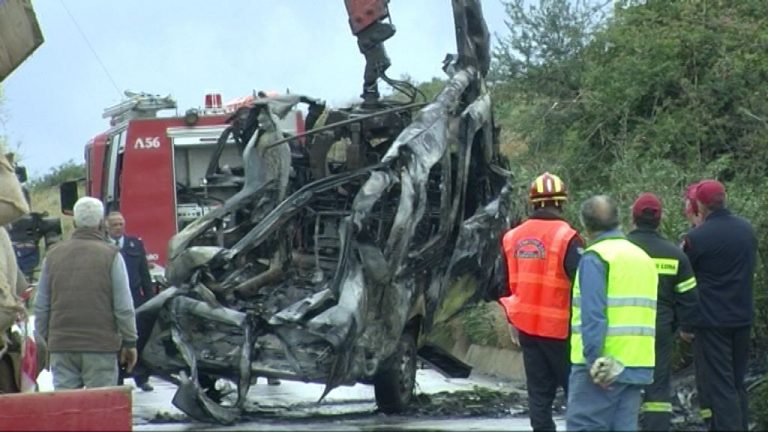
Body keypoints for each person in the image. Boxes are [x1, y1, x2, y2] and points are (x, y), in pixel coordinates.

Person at [498, 172, 583, 431]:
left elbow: (503, 283)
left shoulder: (512, 237)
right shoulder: (568, 237)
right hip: (559, 329)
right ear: (561, 203)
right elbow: (583, 280)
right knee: (575, 392)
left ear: (533, 203)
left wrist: (511, 319)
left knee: (538, 395)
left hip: (527, 328)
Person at [566, 195, 658, 431]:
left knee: (585, 426)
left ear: (585, 225)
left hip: (604, 366)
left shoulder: (596, 257)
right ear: (620, 220)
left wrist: (593, 360)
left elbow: (593, 315)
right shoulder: (643, 258)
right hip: (637, 364)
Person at [34, 197, 137, 389]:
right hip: (100, 347)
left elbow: (41, 306)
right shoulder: (112, 255)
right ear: (101, 223)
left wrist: (42, 344)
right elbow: (123, 307)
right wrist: (130, 341)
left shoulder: (53, 256)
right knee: (98, 409)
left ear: (74, 223)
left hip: (62, 347)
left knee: (66, 409)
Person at [682, 180, 756, 431]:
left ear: (700, 204)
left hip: (713, 323)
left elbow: (687, 282)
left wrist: (686, 323)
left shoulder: (696, 238)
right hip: (743, 318)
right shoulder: (746, 230)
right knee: (737, 383)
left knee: (721, 387)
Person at [626, 193, 698, 431]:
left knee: (621, 387)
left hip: (620, 332)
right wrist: (684, 327)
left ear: (632, 217)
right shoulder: (675, 254)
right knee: (658, 390)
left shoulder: (618, 250)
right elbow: (688, 298)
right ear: (660, 219)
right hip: (659, 330)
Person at [105, 211, 155, 392]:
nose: (119, 228)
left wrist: (150, 300)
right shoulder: (103, 247)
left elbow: (145, 274)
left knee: (139, 340)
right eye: (115, 225)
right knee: (117, 342)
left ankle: (142, 378)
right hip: (112, 301)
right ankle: (118, 379)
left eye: (121, 224)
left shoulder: (135, 244)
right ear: (106, 227)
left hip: (135, 300)